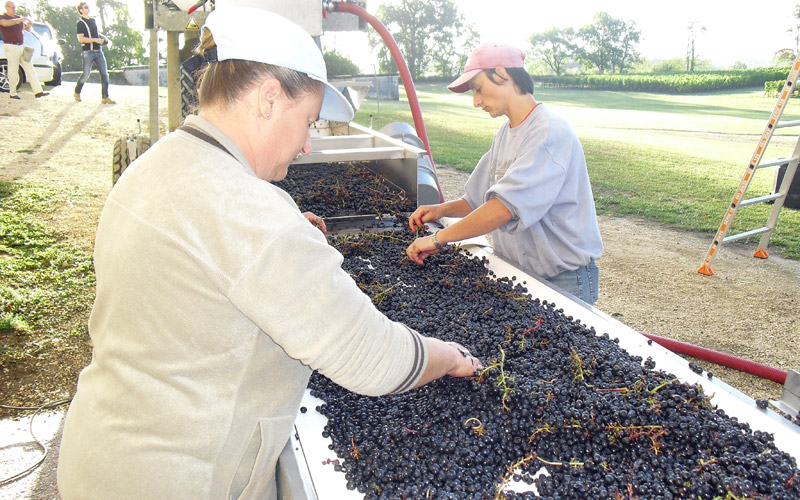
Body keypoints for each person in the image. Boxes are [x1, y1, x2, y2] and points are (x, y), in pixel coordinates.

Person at [57, 6, 481, 500]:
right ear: (268, 98)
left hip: (102, 456)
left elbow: (195, 274)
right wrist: (448, 355)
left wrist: (281, 238)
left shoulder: (156, 166)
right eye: (308, 122)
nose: (305, 144)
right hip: (180, 480)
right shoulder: (248, 212)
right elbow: (374, 359)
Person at [405, 42, 603, 305]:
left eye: (478, 89)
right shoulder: (505, 133)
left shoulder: (548, 132)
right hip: (522, 273)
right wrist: (440, 210)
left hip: (563, 277)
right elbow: (476, 202)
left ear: (502, 74)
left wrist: (438, 240)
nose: (476, 102)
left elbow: (502, 209)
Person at [0, 1, 48, 99]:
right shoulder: (3, 17)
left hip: (21, 46)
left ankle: (38, 91)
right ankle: (12, 93)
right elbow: (5, 24)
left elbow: (27, 30)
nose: (14, 10)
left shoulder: (18, 18)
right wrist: (19, 20)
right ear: (7, 8)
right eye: (12, 8)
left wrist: (29, 24)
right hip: (11, 46)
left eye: (15, 8)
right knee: (13, 69)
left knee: (30, 68)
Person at [73, 2, 114, 104]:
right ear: (81, 10)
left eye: (88, 7)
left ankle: (105, 97)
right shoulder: (80, 23)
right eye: (85, 7)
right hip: (88, 52)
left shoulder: (93, 20)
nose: (88, 8)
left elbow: (95, 33)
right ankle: (77, 92)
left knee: (105, 74)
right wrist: (95, 40)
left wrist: (102, 37)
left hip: (98, 51)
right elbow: (81, 38)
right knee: (86, 74)